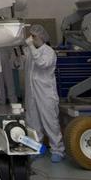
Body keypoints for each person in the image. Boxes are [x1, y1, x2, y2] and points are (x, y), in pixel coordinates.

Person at [24, 24, 64, 162]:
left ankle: (58, 150)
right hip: (32, 93)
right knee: (33, 122)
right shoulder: (30, 51)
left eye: (33, 36)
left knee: (50, 121)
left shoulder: (48, 52)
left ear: (41, 37)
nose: (30, 38)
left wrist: (30, 47)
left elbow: (42, 63)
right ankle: (36, 148)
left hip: (46, 93)